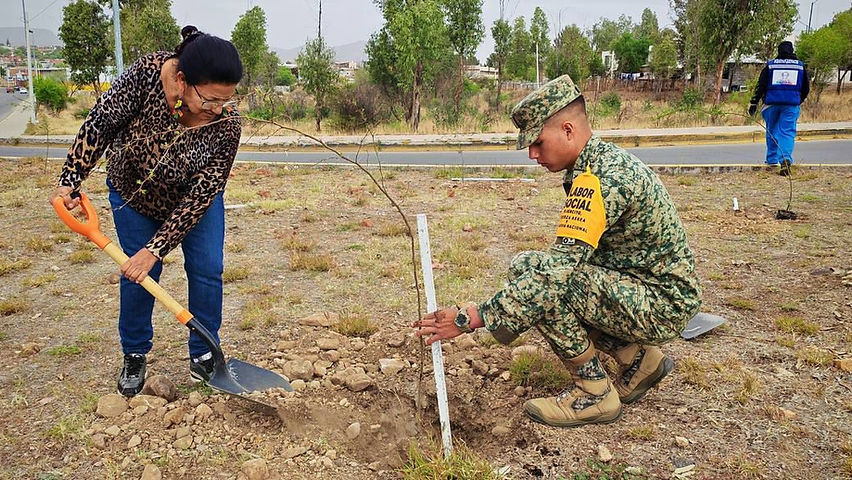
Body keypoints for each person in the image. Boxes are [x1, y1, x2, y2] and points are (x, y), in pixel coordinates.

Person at [413, 75, 702, 428]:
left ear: (568, 130)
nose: (532, 154)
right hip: (651, 291)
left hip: (660, 304)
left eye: (538, 142)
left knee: (544, 282)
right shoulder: (599, 164)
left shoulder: (598, 180)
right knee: (533, 269)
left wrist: (471, 317)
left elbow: (554, 277)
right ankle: (640, 360)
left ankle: (594, 393)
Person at [49, 26, 243, 397]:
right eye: (209, 99)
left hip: (191, 203)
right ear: (183, 80)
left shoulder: (226, 125)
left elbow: (202, 193)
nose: (217, 109)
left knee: (207, 269)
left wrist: (156, 247)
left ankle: (204, 354)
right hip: (133, 196)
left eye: (226, 100)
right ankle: (134, 353)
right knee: (139, 273)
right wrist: (70, 179)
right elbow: (101, 124)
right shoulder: (146, 75)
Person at [749, 41, 810, 177]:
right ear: (792, 51)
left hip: (771, 105)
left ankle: (771, 161)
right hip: (791, 105)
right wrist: (798, 100)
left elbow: (760, 86)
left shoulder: (771, 65)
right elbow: (806, 88)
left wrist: (754, 103)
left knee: (772, 132)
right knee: (787, 132)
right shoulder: (800, 66)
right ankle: (785, 159)